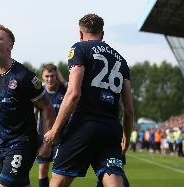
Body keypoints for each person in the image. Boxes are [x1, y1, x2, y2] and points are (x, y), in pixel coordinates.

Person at [44, 13, 134, 187]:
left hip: (84, 126)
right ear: (102, 33)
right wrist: (126, 138)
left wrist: (55, 130)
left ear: (80, 33)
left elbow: (73, 93)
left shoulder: (79, 49)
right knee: (114, 182)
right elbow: (129, 109)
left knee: (57, 183)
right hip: (110, 129)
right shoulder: (121, 61)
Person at [0, 24, 55, 187]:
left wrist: (47, 144)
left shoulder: (24, 76)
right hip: (0, 144)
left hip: (22, 142)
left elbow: (47, 107)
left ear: (10, 46)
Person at [35, 64, 67, 187]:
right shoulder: (40, 93)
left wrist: (62, 80)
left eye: (52, 75)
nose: (50, 79)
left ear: (56, 75)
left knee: (58, 173)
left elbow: (74, 90)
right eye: (47, 76)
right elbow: (34, 114)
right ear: (42, 77)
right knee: (42, 171)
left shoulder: (64, 91)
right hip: (44, 138)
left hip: (62, 138)